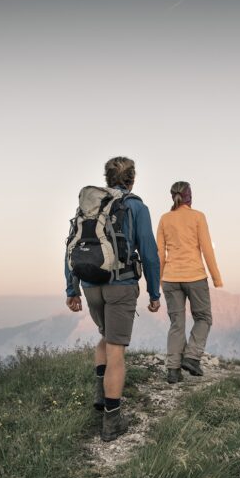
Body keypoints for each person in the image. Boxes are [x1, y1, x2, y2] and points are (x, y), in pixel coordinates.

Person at [65, 156, 161, 441]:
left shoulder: (89, 206)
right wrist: (154, 293)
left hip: (90, 284)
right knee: (116, 350)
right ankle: (112, 421)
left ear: (107, 179)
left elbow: (71, 247)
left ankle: (101, 394)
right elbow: (150, 253)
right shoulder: (136, 207)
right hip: (121, 285)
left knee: (105, 337)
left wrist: (72, 289)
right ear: (132, 179)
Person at [156, 181, 223, 384]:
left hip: (170, 278)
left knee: (176, 324)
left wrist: (158, 281)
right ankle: (192, 357)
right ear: (189, 196)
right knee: (203, 318)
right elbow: (207, 249)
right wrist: (216, 278)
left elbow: (159, 254)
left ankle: (173, 371)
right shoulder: (197, 217)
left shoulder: (165, 219)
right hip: (195, 277)